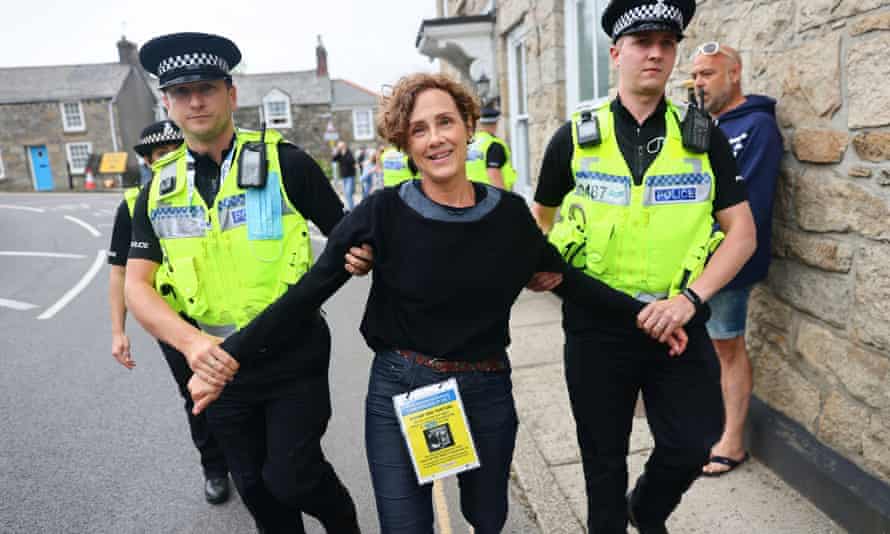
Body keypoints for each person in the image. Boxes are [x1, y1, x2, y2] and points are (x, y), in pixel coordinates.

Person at [186, 72, 693, 534]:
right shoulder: (381, 213)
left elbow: (573, 283)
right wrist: (230, 355)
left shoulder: (511, 219)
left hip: (484, 389)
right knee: (405, 525)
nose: (435, 138)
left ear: (469, 127)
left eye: (445, 122)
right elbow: (308, 292)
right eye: (419, 129)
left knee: (487, 517)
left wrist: (650, 316)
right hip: (401, 388)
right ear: (405, 144)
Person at [125, 32, 371, 534]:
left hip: (291, 353)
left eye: (207, 88)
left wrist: (362, 256)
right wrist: (192, 345)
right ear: (167, 103)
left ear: (231, 95)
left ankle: (343, 521)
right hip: (217, 365)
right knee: (258, 491)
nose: (195, 101)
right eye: (180, 92)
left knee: (293, 476)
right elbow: (137, 287)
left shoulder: (287, 163)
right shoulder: (156, 190)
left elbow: (344, 234)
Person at [530, 1, 757, 532]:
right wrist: (547, 273)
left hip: (677, 321)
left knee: (690, 445)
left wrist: (689, 301)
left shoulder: (703, 137)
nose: (655, 53)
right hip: (596, 329)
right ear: (616, 53)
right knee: (602, 465)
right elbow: (538, 227)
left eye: (667, 43)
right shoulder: (574, 138)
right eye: (642, 42)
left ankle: (647, 512)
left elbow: (742, 233)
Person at [108, 119, 231, 505]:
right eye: (161, 155)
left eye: (176, 152)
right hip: (172, 321)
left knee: (235, 387)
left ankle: (247, 461)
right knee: (195, 395)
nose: (169, 161)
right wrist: (118, 330)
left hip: (221, 311)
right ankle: (214, 466)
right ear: (147, 161)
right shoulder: (134, 205)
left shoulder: (210, 193)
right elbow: (120, 272)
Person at [691, 42, 782, 477]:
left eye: (708, 73)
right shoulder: (704, 126)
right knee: (706, 346)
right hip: (693, 261)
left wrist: (716, 258)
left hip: (727, 262)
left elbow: (753, 207)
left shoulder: (757, 126)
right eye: (695, 76)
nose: (699, 83)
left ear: (735, 73)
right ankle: (711, 426)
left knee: (727, 346)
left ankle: (733, 440)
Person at [465, 106, 517, 191]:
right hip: (490, 198)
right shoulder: (493, 145)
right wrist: (505, 201)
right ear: (495, 123)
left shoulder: (470, 143)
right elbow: (494, 176)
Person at [332, 141, 357, 209]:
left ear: (345, 146)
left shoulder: (349, 152)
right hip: (343, 176)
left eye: (342, 146)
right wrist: (337, 152)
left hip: (350, 176)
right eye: (339, 146)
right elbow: (334, 160)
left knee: (348, 193)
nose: (341, 147)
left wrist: (344, 154)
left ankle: (351, 208)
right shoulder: (339, 154)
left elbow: (351, 161)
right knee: (346, 194)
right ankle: (350, 207)